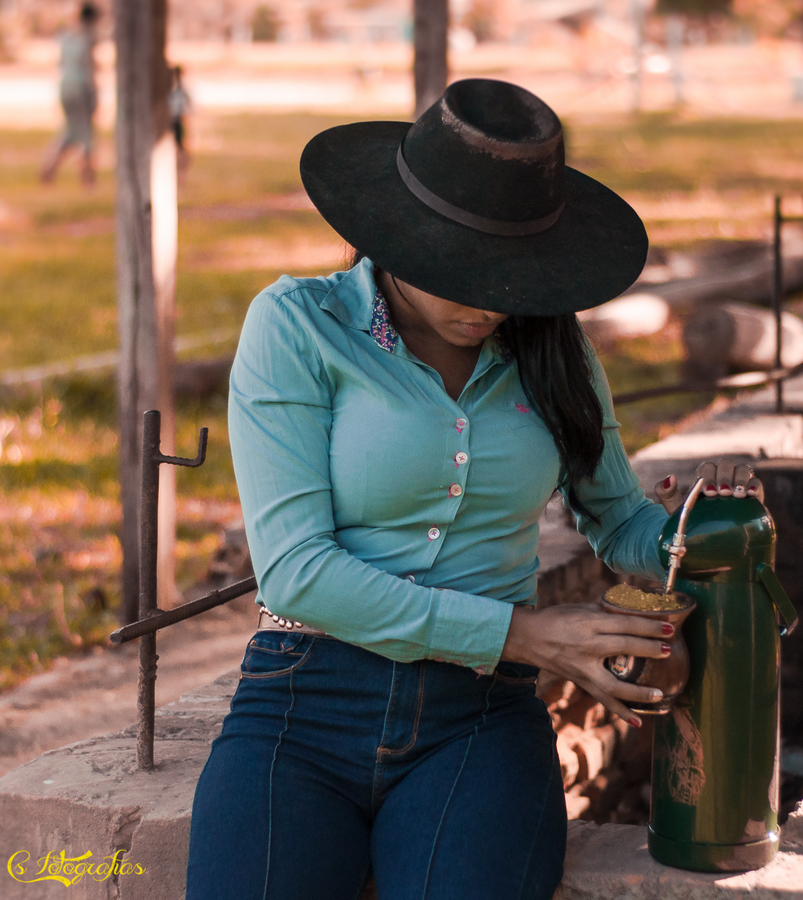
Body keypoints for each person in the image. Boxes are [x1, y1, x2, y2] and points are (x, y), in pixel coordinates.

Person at [184, 78, 762, 900]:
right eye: (467, 268)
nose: (492, 299)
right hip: (303, 704)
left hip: (478, 724)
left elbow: (619, 519)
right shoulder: (298, 327)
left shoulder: (555, 352)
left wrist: (696, 529)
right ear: (400, 235)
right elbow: (296, 572)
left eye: (513, 271)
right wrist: (524, 634)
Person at [40, 2, 99, 186]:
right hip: (81, 89)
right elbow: (88, 69)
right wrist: (94, 95)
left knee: (71, 131)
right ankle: (88, 179)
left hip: (65, 87)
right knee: (86, 133)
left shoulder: (66, 36)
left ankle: (48, 168)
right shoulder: (87, 39)